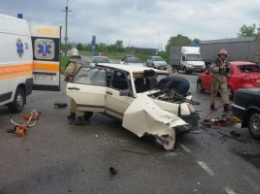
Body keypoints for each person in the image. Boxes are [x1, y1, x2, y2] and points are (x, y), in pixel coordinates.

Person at [64, 48, 86, 125]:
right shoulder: (82, 62)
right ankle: (72, 114)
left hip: (78, 81)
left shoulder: (73, 62)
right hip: (85, 81)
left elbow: (68, 71)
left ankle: (80, 117)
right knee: (74, 98)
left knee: (77, 99)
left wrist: (67, 78)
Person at [209, 48, 230, 112]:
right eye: (221, 55)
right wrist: (219, 68)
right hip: (216, 78)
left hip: (223, 79)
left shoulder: (226, 62)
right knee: (214, 92)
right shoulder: (215, 61)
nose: (222, 56)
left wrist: (228, 69)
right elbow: (212, 68)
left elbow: (228, 71)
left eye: (224, 55)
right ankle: (212, 105)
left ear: (225, 56)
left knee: (225, 92)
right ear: (219, 55)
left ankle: (226, 107)